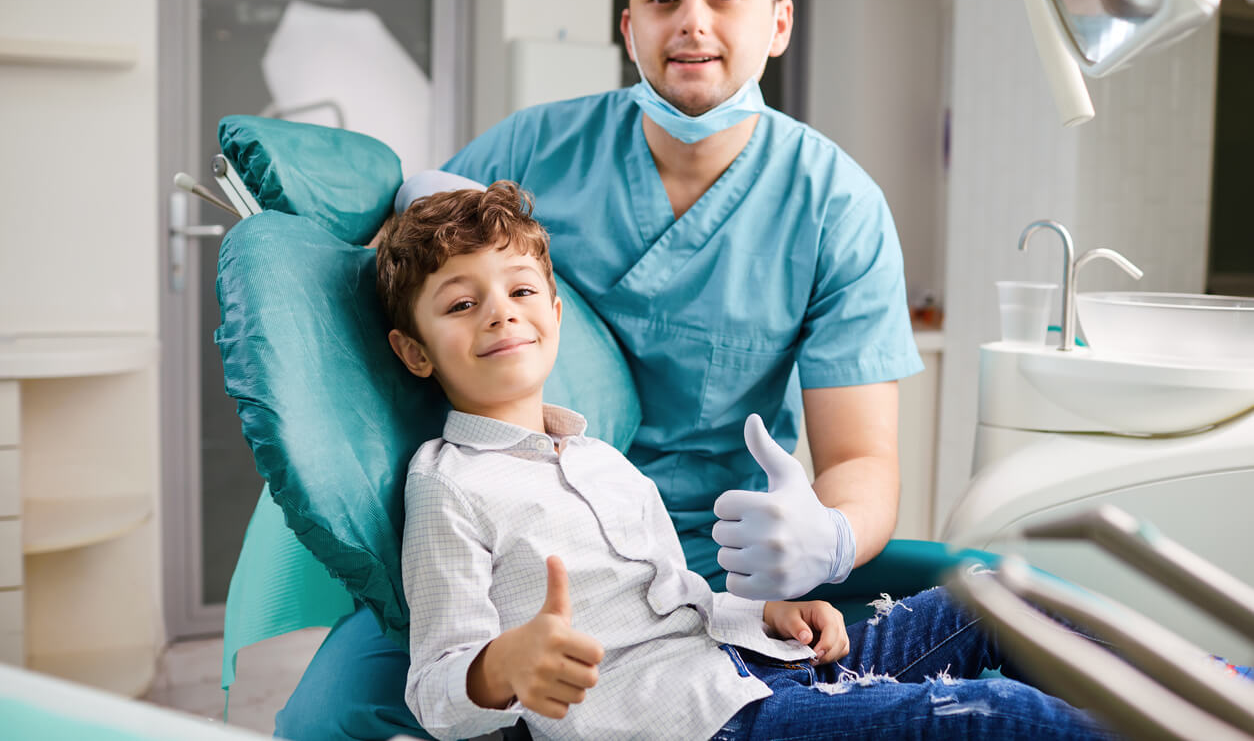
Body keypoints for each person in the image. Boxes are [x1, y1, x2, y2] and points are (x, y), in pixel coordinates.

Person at [278, 0, 922, 737]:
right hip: (519, 538)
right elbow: (406, 262)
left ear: (778, 23)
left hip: (708, 555)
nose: (692, 20)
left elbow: (863, 457)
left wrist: (826, 540)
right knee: (324, 718)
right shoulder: (536, 148)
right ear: (630, 25)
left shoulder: (837, 206)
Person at [373, 180, 1117, 741]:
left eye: (521, 289)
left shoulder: (602, 460)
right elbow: (435, 688)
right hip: (695, 724)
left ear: (555, 314)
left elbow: (677, 599)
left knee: (997, 597)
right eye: (461, 304)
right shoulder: (450, 485)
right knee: (996, 715)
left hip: (753, 666)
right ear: (413, 349)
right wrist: (505, 666)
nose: (501, 311)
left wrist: (763, 611)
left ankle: (1223, 696)